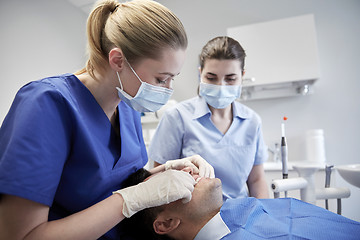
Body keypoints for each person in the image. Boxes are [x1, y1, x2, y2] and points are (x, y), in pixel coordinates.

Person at [0, 0, 214, 239]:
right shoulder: (47, 105)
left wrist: (163, 173)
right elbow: (19, 235)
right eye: (161, 79)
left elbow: (115, 181)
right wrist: (132, 199)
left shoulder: (127, 106)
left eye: (173, 78)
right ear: (118, 61)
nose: (168, 89)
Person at [149, 36, 269, 200]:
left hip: (242, 213)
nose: (221, 86)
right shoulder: (177, 117)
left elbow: (256, 180)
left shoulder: (252, 121)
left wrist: (263, 216)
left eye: (230, 79)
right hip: (194, 217)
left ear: (242, 76)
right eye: (211, 78)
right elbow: (158, 178)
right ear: (200, 74)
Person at [123, 168, 360, 240]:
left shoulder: (242, 209)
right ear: (165, 223)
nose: (187, 171)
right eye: (170, 182)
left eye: (176, 169)